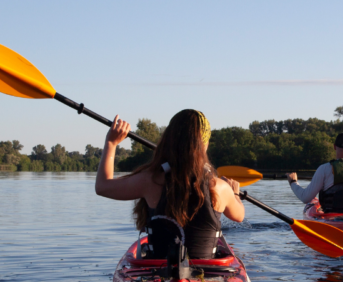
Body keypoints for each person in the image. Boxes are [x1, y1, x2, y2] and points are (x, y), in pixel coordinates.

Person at [94, 109, 243, 260]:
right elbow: (239, 216)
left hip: (159, 274)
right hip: (208, 274)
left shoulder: (150, 180)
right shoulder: (219, 187)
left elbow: (102, 187)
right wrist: (234, 194)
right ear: (205, 144)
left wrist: (111, 143)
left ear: (169, 139)